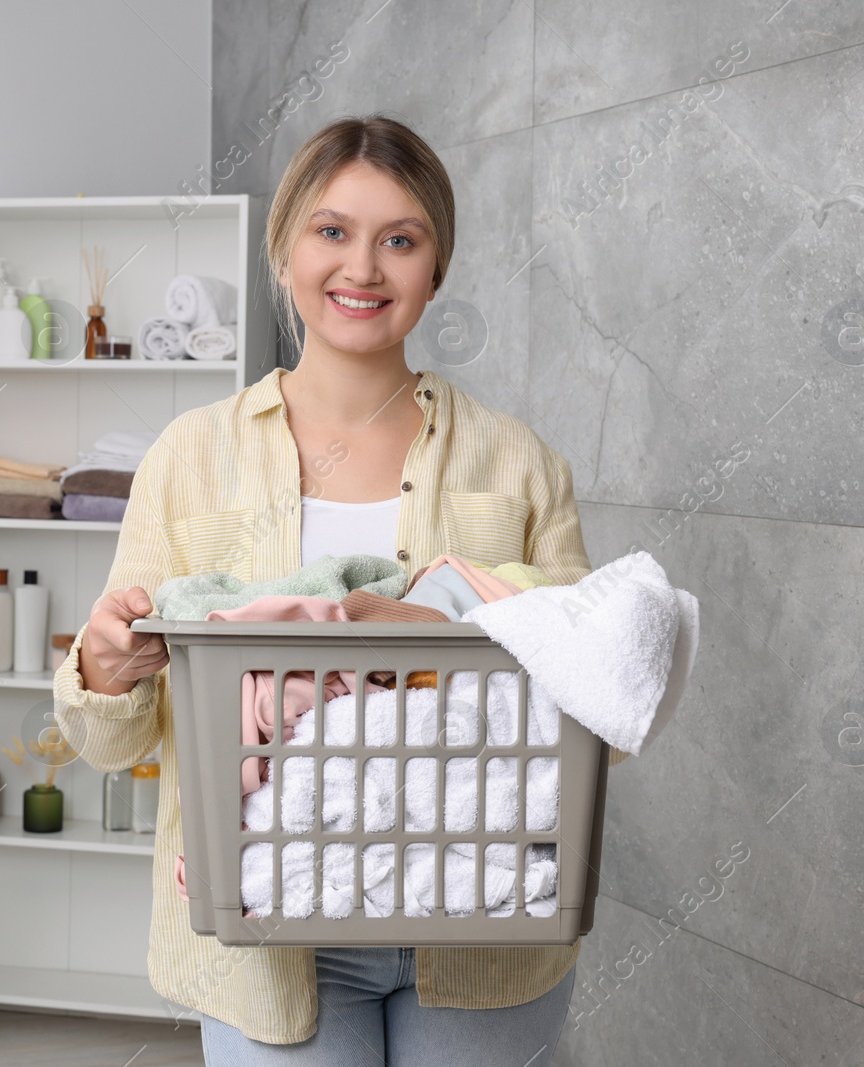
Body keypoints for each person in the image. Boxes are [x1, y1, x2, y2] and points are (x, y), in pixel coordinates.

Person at [53, 113, 622, 1066]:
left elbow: (594, 709)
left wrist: (437, 625)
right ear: (283, 250)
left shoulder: (517, 465)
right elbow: (114, 742)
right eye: (332, 231)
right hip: (270, 930)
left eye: (400, 239)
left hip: (485, 922)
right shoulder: (193, 458)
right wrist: (105, 671)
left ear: (435, 269)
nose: (363, 268)